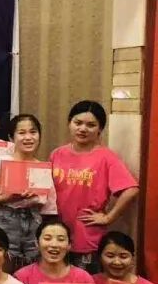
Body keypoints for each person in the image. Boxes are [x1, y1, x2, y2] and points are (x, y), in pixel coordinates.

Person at [50, 100, 139, 272]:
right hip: (56, 235)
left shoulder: (106, 157)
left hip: (87, 237)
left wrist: (108, 218)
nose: (83, 129)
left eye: (91, 125)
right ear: (69, 123)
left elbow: (131, 189)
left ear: (100, 129)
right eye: (78, 123)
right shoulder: (57, 154)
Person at [0, 114, 58, 269]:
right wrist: (8, 197)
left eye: (33, 132)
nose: (28, 137)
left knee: (32, 268)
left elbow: (50, 208)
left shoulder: (42, 167)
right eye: (22, 133)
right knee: (3, 265)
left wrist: (36, 199)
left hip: (34, 223)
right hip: (6, 220)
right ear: (11, 137)